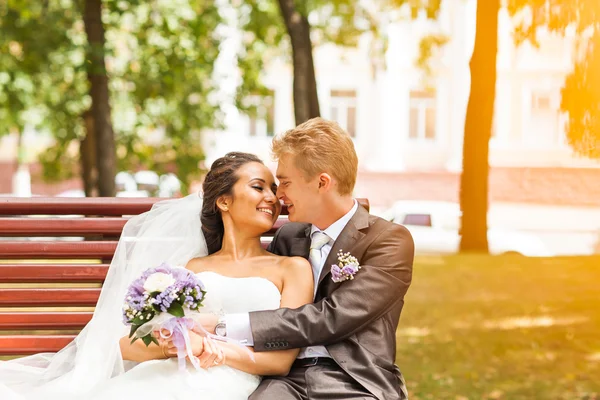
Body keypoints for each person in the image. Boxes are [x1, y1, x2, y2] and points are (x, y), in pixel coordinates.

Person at [0, 152, 314, 400]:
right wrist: (171, 345)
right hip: (162, 374)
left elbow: (280, 362)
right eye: (259, 187)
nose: (273, 197)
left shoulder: (292, 269)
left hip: (224, 386)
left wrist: (209, 350)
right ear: (224, 200)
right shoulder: (190, 268)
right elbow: (126, 345)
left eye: (274, 189)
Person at [200, 118, 415, 400]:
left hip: (354, 381)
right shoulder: (289, 237)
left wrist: (222, 325)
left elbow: (333, 317)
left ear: (322, 182)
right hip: (284, 379)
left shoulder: (388, 240)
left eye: (285, 183)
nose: (278, 195)